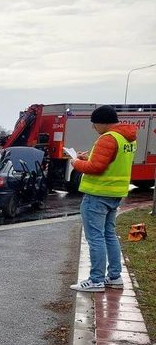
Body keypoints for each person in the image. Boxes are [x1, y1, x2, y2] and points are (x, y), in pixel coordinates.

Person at [69, 105, 137, 292]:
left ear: (102, 123)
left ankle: (96, 280)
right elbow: (111, 161)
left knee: (95, 238)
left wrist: (77, 162)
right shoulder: (126, 138)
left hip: (98, 195)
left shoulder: (107, 138)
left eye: (94, 124)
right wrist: (88, 156)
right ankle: (114, 277)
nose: (93, 128)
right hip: (115, 194)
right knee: (109, 235)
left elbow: (96, 168)